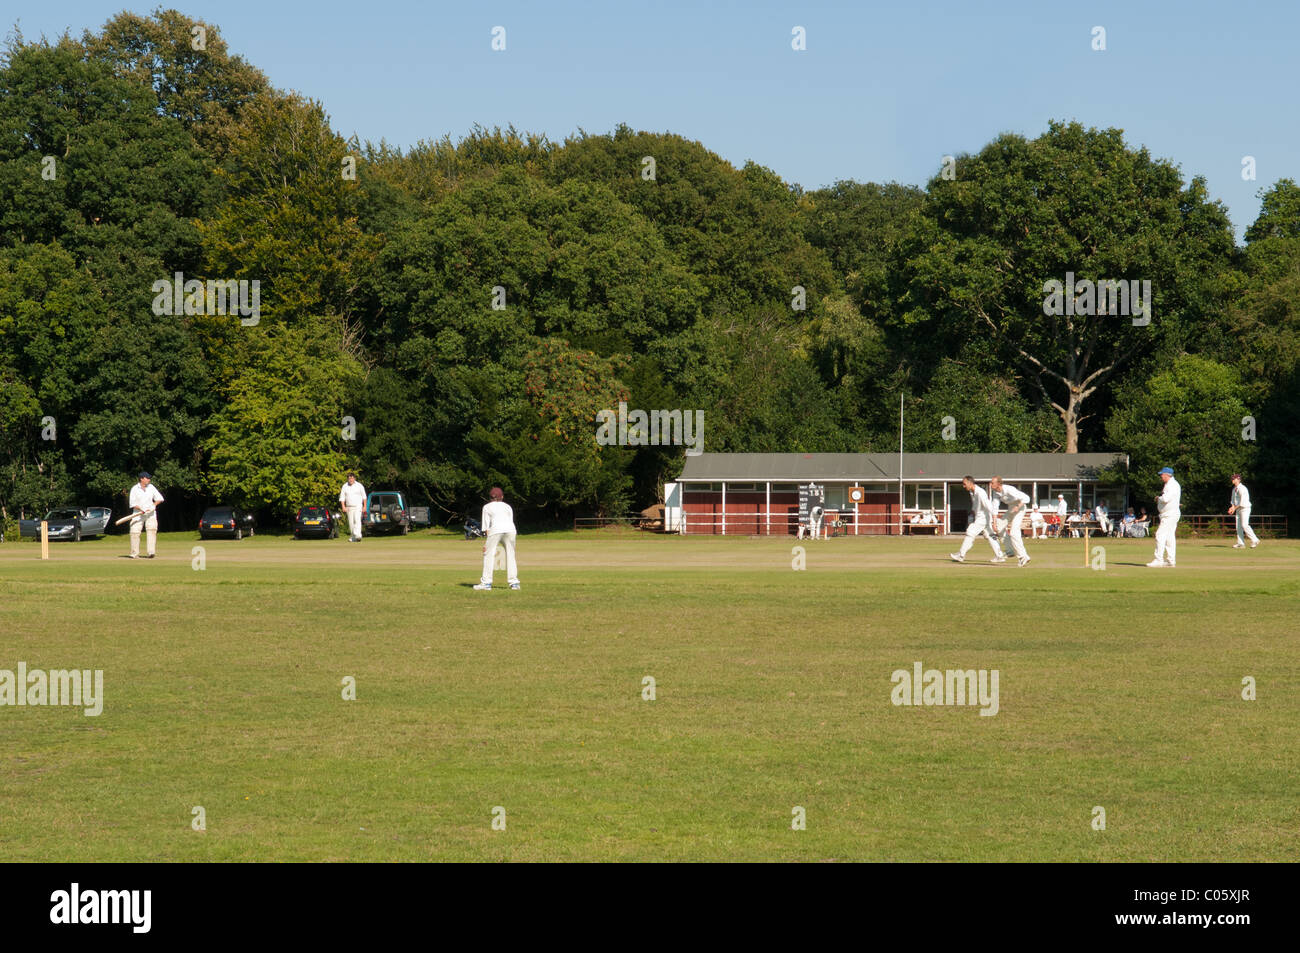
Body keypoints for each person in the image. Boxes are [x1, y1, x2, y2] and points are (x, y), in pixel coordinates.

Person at [950, 475, 1004, 563]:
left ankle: (961, 555)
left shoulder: (980, 492)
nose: (963, 486)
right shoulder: (972, 492)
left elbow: (989, 506)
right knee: (990, 536)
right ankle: (1000, 555)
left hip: (983, 518)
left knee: (970, 532)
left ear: (970, 483)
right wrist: (972, 513)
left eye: (964, 484)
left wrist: (994, 520)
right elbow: (975, 506)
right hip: (981, 517)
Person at [474, 487, 520, 591]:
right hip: (511, 530)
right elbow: (510, 521)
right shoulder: (508, 506)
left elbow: (486, 527)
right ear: (502, 497)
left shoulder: (486, 507)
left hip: (495, 529)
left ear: (490, 498)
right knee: (511, 555)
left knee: (488, 554)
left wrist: (487, 544)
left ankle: (486, 583)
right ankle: (514, 583)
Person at [990, 476, 1032, 567]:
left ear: (999, 484)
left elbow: (1026, 498)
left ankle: (1023, 557)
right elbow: (994, 508)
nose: (990, 484)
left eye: (992, 482)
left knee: (1014, 532)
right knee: (999, 527)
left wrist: (1018, 507)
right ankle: (1010, 551)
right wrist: (994, 523)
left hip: (1020, 508)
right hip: (1011, 508)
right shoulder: (995, 493)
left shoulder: (1009, 489)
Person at [1147, 467, 1181, 567]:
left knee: (1160, 535)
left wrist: (1158, 498)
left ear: (1167, 475)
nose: (1161, 476)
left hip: (1169, 514)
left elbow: (1165, 498)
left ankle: (1158, 560)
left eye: (1162, 475)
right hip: (1170, 514)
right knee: (1169, 537)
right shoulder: (1170, 484)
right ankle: (1171, 561)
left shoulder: (1171, 485)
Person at [127, 471, 164, 559]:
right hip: (138, 514)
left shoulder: (151, 487)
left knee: (152, 530)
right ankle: (134, 553)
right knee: (134, 532)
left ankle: (151, 552)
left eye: (149, 478)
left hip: (151, 514)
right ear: (141, 479)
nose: (149, 479)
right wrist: (141, 509)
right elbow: (132, 504)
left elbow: (160, 498)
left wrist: (153, 506)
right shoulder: (135, 489)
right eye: (147, 478)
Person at [1228, 474, 1260, 549]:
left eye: (1234, 478)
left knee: (1244, 525)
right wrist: (1232, 508)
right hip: (1238, 509)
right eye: (1232, 478)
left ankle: (1255, 540)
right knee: (1238, 527)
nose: (1232, 480)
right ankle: (1241, 543)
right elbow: (1233, 501)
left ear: (1238, 479)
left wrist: (1234, 508)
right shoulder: (1234, 489)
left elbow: (1242, 502)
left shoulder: (1243, 488)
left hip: (1245, 508)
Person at [338, 472, 367, 542]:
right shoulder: (345, 486)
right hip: (349, 507)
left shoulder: (359, 485)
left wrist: (365, 506)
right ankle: (353, 537)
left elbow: (364, 497)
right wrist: (343, 507)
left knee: (357, 520)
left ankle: (358, 535)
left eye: (352, 478)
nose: (350, 480)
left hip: (358, 505)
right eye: (349, 478)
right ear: (347, 479)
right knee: (351, 523)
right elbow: (342, 497)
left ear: (354, 478)